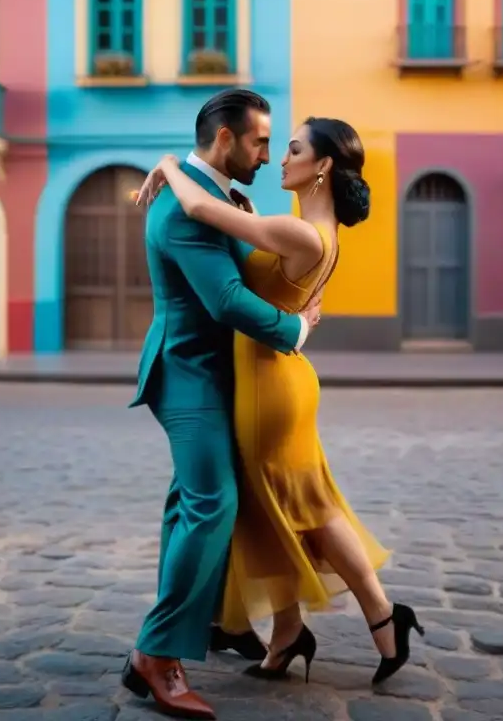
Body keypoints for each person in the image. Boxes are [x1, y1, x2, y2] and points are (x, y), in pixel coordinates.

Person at [135, 115, 424, 694]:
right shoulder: (307, 226)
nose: (279, 157)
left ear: (321, 166)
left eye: (292, 149)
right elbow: (241, 229)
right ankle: (315, 627)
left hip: (270, 381)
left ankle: (374, 618)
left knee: (293, 505)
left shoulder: (303, 234)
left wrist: (169, 165)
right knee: (291, 504)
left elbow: (200, 212)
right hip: (275, 377)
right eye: (274, 145)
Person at [122, 89, 323, 721]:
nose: (268, 153)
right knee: (212, 506)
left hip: (214, 374)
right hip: (189, 375)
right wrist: (297, 331)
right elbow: (228, 300)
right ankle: (155, 656)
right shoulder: (187, 213)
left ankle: (212, 620)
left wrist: (167, 163)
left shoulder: (215, 195)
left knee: (193, 502)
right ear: (226, 140)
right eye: (261, 141)